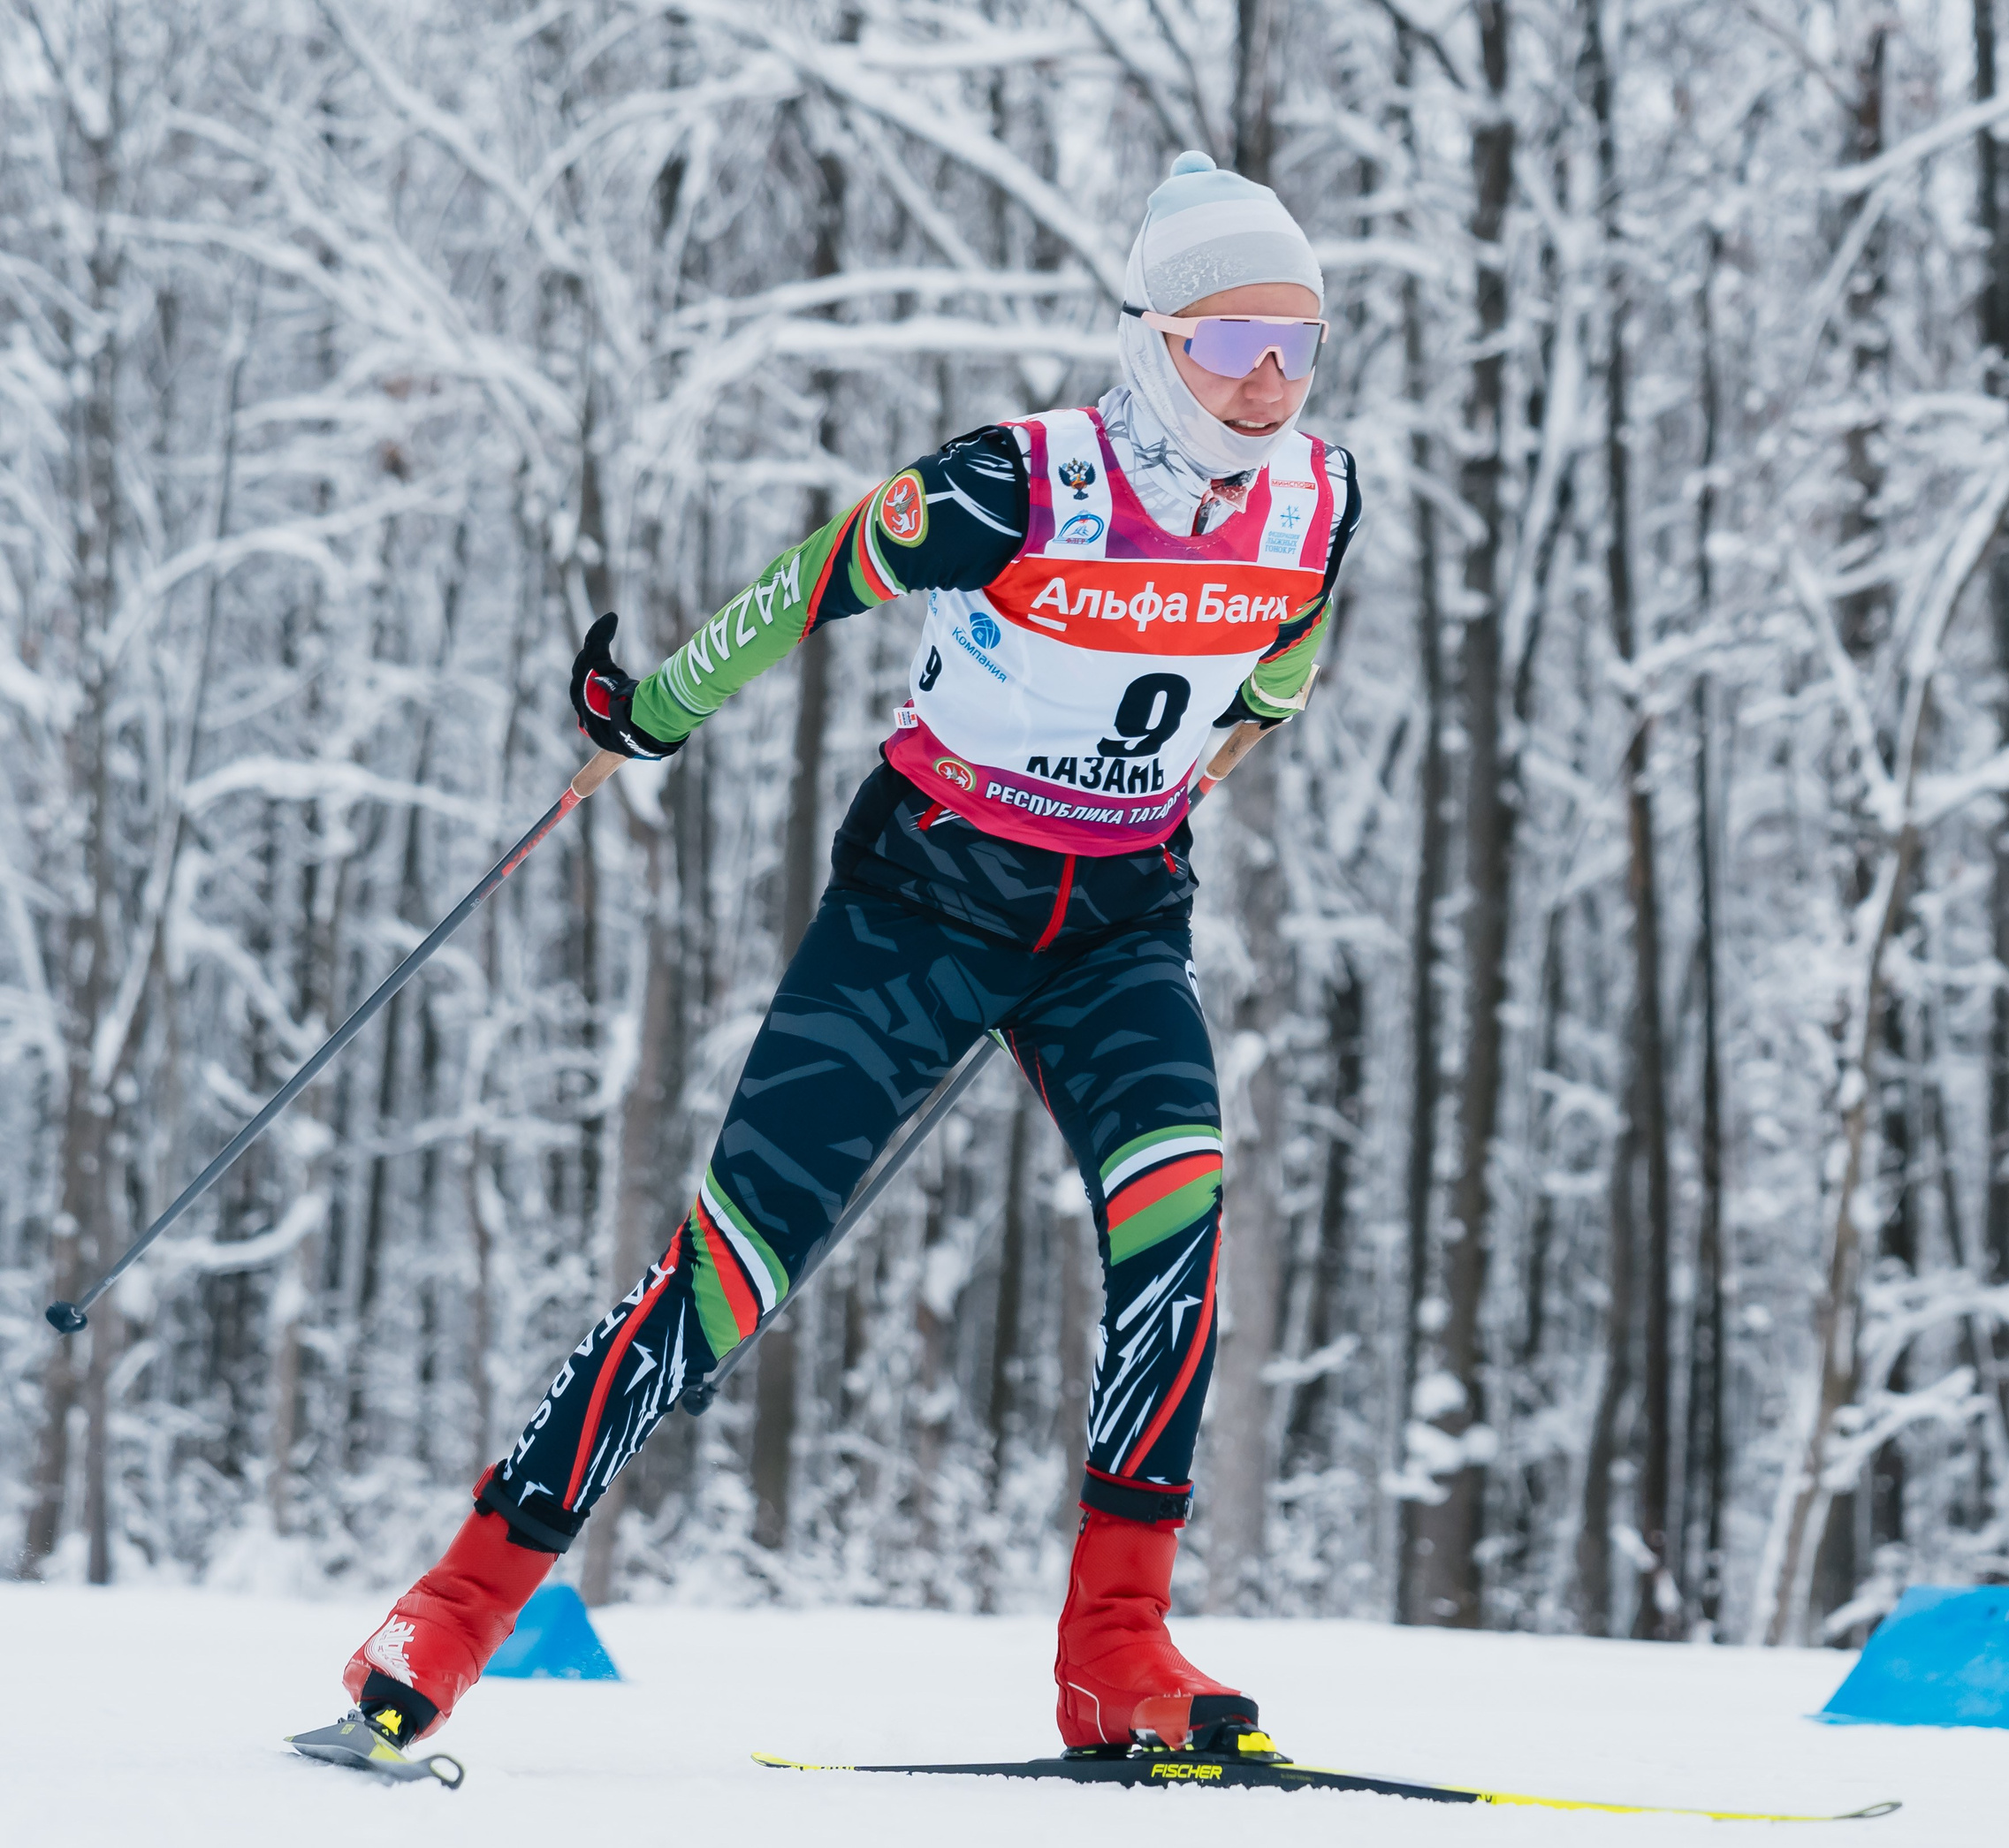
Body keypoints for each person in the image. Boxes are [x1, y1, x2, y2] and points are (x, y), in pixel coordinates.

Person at [328, 150, 1361, 1762]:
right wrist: (650, 710)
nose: (1269, 382)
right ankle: (447, 1618)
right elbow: (810, 583)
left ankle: (1119, 1656)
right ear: (1152, 343)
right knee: (729, 1276)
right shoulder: (1017, 486)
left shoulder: (1319, 496)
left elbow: (1293, 630)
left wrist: (1250, 727)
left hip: (1114, 923)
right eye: (1232, 345)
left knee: (1182, 1228)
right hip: (920, 909)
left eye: (1297, 343)